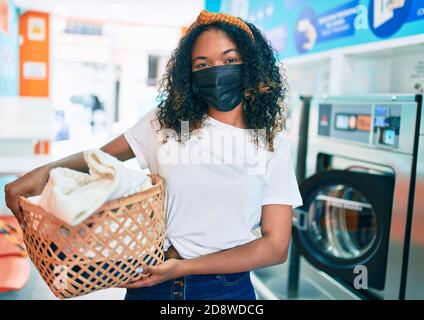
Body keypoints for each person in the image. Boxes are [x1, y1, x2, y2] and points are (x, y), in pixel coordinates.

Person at [5, 10, 302, 300]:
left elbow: (276, 246)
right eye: (202, 65)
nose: (216, 71)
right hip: (151, 284)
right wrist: (36, 177)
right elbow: (100, 159)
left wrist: (183, 268)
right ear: (190, 74)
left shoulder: (271, 145)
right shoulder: (168, 123)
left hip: (226, 291)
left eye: (229, 60)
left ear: (251, 65)